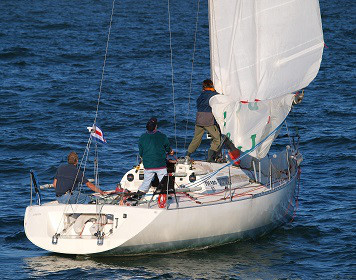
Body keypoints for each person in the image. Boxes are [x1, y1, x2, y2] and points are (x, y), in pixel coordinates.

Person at [186, 79, 221, 162]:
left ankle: (187, 155)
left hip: (199, 119)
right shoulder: (214, 95)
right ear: (211, 85)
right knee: (217, 139)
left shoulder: (201, 95)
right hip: (208, 120)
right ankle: (210, 157)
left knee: (196, 138)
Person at [137, 117, 173, 196]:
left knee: (146, 183)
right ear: (156, 126)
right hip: (160, 165)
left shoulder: (142, 137)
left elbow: (141, 153)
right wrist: (170, 151)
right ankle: (165, 197)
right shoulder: (162, 136)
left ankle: (138, 196)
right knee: (164, 182)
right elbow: (167, 148)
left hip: (148, 165)